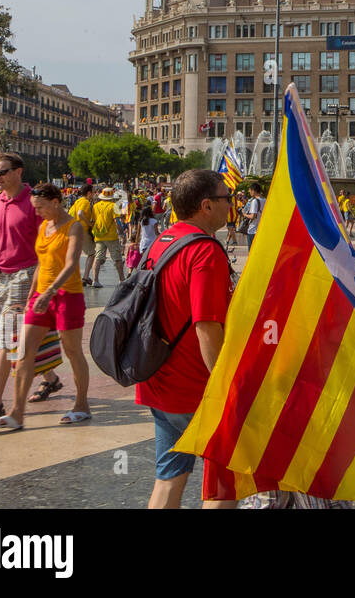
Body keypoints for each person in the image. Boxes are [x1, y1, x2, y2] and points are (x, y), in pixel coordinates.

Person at [136, 169, 236, 509]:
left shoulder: (162, 242)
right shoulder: (205, 252)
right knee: (223, 485)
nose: (230, 205)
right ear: (206, 206)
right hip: (194, 387)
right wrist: (225, 386)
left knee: (169, 479)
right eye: (226, 198)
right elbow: (206, 326)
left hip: (157, 380)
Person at [0, 152, 62, 422]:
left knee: (7, 337)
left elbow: (48, 245)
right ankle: (50, 379)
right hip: (0, 278)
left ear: (18, 172)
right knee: (22, 338)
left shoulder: (33, 203)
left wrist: (41, 284)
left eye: (2, 172)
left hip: (25, 276)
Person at [0, 183, 91, 430]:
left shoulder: (73, 227)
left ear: (56, 202)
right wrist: (34, 294)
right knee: (23, 351)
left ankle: (81, 404)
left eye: (40, 207)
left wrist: (51, 292)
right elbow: (41, 264)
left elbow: (70, 264)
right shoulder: (44, 226)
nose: (37, 213)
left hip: (68, 296)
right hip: (40, 296)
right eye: (35, 208)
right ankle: (16, 412)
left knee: (73, 351)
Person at [89, 187, 124, 288]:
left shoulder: (95, 206)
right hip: (111, 236)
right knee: (117, 258)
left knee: (98, 258)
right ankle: (121, 279)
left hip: (99, 235)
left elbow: (93, 220)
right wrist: (121, 231)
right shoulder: (114, 206)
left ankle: (95, 280)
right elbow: (117, 221)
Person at [68, 183, 96, 286]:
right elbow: (80, 213)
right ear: (89, 193)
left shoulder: (77, 201)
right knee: (92, 253)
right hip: (83, 230)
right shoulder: (85, 202)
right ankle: (85, 277)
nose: (94, 194)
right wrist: (89, 224)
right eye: (93, 192)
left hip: (74, 229)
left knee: (75, 254)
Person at [241, 182, 264, 251]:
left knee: (251, 251)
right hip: (261, 230)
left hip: (253, 230)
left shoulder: (255, 201)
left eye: (250, 190)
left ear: (253, 190)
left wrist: (244, 214)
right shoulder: (265, 200)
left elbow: (252, 216)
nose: (250, 192)